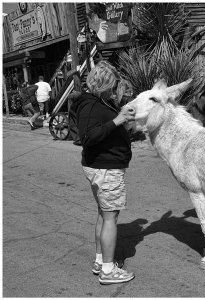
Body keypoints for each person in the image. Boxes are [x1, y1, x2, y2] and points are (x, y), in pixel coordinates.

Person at [72, 60, 136, 285]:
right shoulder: (91, 105)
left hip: (102, 166)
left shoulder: (97, 102)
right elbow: (88, 137)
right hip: (105, 169)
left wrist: (123, 125)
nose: (114, 90)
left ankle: (100, 260)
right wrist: (118, 120)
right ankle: (108, 270)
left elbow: (103, 130)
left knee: (103, 212)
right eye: (112, 85)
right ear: (103, 84)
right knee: (110, 217)